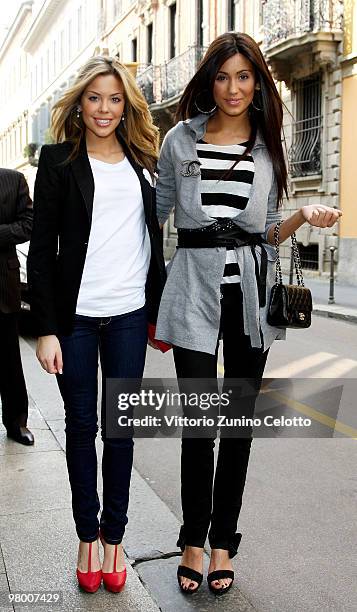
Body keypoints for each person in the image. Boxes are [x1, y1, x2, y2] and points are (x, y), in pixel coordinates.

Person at [154, 32, 342, 596]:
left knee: (235, 428)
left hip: (249, 301)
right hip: (191, 293)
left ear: (257, 81)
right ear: (209, 81)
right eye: (222, 76)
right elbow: (153, 216)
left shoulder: (267, 144)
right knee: (199, 426)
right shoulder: (179, 141)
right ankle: (191, 538)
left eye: (243, 76)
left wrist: (302, 215)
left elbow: (264, 231)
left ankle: (222, 544)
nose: (233, 88)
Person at [27, 56, 165, 593]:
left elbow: (154, 240)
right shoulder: (59, 160)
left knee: (122, 432)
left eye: (114, 99)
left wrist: (158, 312)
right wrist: (45, 328)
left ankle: (116, 540)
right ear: (79, 104)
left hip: (129, 315)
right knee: (82, 430)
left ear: (126, 104)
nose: (104, 109)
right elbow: (40, 252)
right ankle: (88, 536)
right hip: (76, 320)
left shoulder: (144, 160)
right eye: (94, 98)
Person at [0, 168, 34, 446]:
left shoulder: (13, 180)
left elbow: (29, 223)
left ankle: (16, 423)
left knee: (9, 361)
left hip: (3, 285)